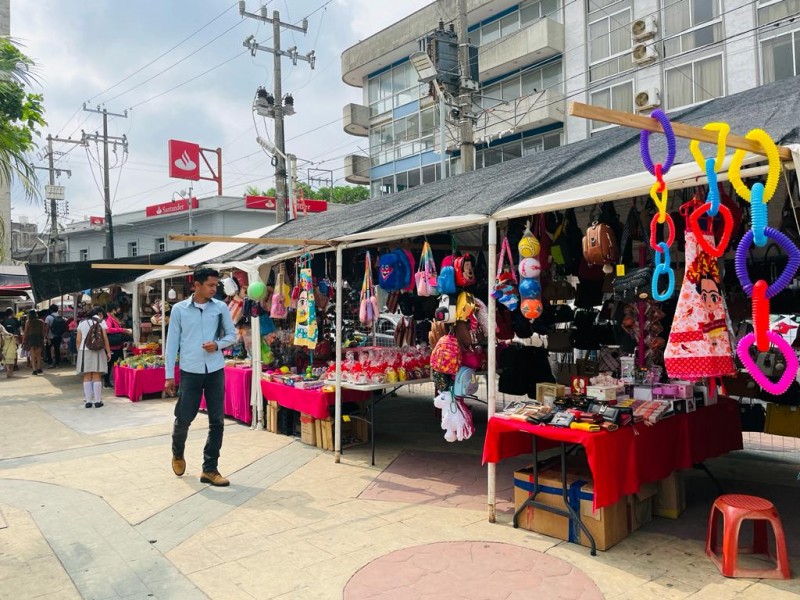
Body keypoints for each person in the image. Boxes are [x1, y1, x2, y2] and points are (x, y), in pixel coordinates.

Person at [165, 267, 236, 487]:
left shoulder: (221, 307)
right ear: (196, 285)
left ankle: (210, 469)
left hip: (215, 370)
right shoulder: (179, 310)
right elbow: (171, 344)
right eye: (211, 285)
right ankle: (178, 453)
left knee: (217, 421)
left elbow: (232, 335)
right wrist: (169, 375)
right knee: (184, 418)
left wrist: (218, 345)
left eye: (216, 285)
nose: (215, 289)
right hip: (190, 372)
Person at [75, 307, 111, 408]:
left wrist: (80, 351)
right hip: (98, 350)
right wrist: (108, 352)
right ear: (99, 313)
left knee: (87, 375)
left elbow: (78, 340)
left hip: (84, 350)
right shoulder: (101, 322)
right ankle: (98, 401)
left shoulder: (82, 323)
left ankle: (88, 401)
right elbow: (105, 339)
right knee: (96, 375)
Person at [104, 301, 132, 388]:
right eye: (118, 308)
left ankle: (118, 381)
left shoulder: (112, 317)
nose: (119, 310)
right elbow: (108, 329)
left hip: (117, 345)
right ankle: (107, 382)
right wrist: (121, 330)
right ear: (113, 309)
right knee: (110, 364)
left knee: (118, 363)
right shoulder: (108, 318)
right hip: (112, 346)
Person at [22, 309, 45, 375]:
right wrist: (44, 338)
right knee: (39, 355)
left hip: (31, 338)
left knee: (32, 355)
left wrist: (24, 340)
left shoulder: (28, 322)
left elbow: (25, 332)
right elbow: (43, 331)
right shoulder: (41, 321)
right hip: (39, 338)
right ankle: (38, 368)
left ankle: (34, 370)